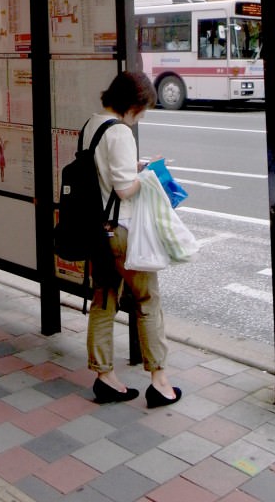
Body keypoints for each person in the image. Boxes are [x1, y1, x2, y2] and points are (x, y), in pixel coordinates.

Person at [84, 71, 181, 409]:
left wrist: (132, 168)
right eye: (141, 109)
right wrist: (149, 176)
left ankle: (104, 376)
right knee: (147, 300)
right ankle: (159, 381)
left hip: (99, 230)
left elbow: (103, 175)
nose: (140, 116)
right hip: (123, 230)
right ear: (132, 105)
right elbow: (124, 189)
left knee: (105, 299)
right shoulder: (120, 132)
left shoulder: (92, 125)